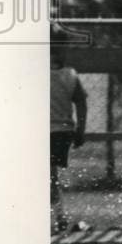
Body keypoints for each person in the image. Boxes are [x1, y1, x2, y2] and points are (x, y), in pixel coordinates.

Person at [50, 41, 87, 233]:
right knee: (50, 175)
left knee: (47, 176)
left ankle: (56, 219)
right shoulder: (69, 75)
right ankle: (58, 216)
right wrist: (80, 129)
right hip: (62, 132)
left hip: (47, 130)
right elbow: (81, 102)